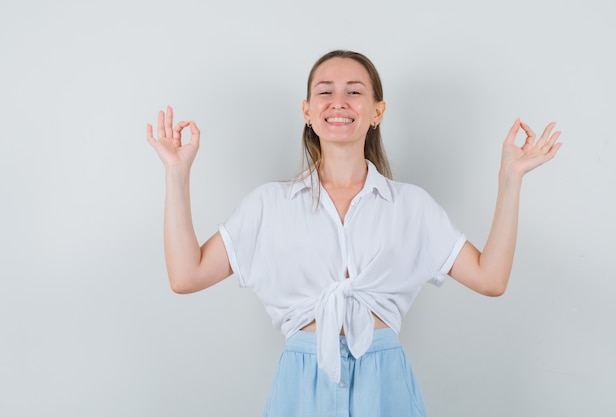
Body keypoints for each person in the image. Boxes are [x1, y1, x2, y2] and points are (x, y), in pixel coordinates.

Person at [146, 50, 561, 417]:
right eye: (325, 91)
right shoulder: (268, 205)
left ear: (378, 111)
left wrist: (510, 177)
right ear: (307, 110)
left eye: (355, 91)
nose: (339, 102)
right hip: (301, 382)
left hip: (385, 383)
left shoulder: (411, 206)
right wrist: (176, 173)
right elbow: (186, 275)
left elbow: (491, 279)